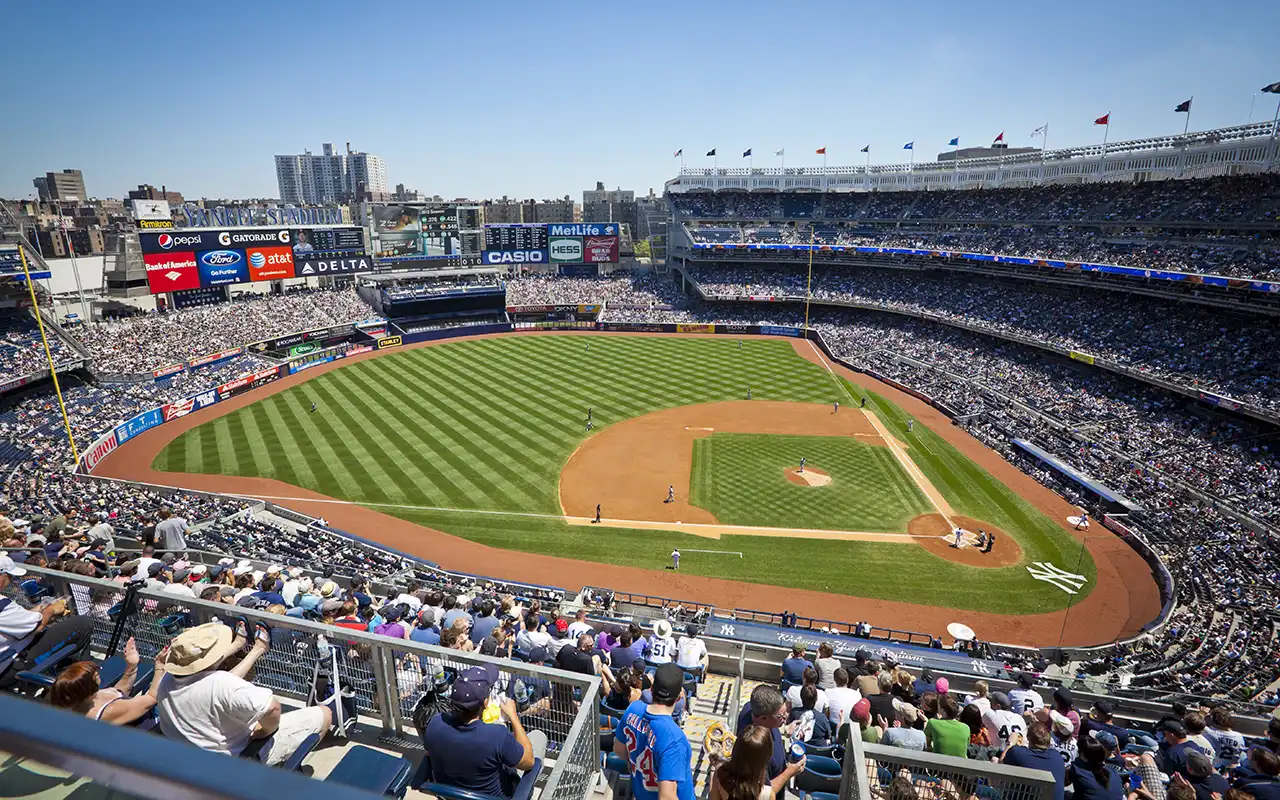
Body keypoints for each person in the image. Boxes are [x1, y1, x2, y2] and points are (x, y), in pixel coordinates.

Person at [155, 623, 332, 765]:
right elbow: (272, 708)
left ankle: (255, 649)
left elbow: (212, 684)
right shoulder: (221, 685)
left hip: (191, 759)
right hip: (238, 761)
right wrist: (265, 731)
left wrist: (242, 647)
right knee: (324, 714)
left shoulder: (167, 680)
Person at [422, 664, 544, 799]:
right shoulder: (497, 736)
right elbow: (529, 762)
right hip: (498, 796)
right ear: (486, 702)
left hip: (450, 796)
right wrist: (514, 717)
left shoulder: (435, 723)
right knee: (538, 736)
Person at [0, 554, 93, 690]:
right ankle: (77, 684)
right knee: (82, 624)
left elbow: (18, 621)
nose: (12, 580)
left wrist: (40, 608)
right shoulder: (3, 606)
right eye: (10, 576)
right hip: (8, 669)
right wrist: (51, 610)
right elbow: (37, 626)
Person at [614, 663, 694, 800]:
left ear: (651, 689)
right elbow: (667, 797)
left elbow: (618, 749)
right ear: (679, 696)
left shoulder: (633, 708)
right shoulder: (675, 740)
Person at [51, 637, 169, 725]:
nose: (98, 669)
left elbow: (119, 692)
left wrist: (132, 666)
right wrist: (160, 665)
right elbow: (152, 698)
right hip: (150, 729)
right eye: (95, 672)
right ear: (87, 687)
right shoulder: (108, 711)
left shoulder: (86, 700)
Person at [736, 685, 789, 798]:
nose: (786, 718)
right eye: (781, 716)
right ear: (763, 718)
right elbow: (760, 793)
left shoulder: (751, 708)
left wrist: (785, 728)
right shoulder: (753, 748)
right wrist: (790, 772)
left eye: (786, 713)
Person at [1003, 722, 1066, 800]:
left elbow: (1001, 764)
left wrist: (1010, 742)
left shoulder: (1017, 753)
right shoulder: (1057, 756)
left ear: (1029, 738)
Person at [1067, 735, 1125, 800]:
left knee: (1066, 794)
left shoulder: (1076, 769)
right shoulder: (1113, 772)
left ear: (1082, 755)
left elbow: (1063, 783)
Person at [925, 694, 970, 758]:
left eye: (938, 706)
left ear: (942, 710)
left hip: (938, 765)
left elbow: (926, 745)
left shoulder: (933, 722)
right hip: (961, 765)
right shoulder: (966, 727)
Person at [675, 624, 709, 688]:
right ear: (696, 633)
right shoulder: (700, 642)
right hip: (694, 670)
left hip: (680, 668)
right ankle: (702, 679)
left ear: (687, 632)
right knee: (706, 657)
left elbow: (678, 650)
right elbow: (704, 653)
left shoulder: (681, 639)